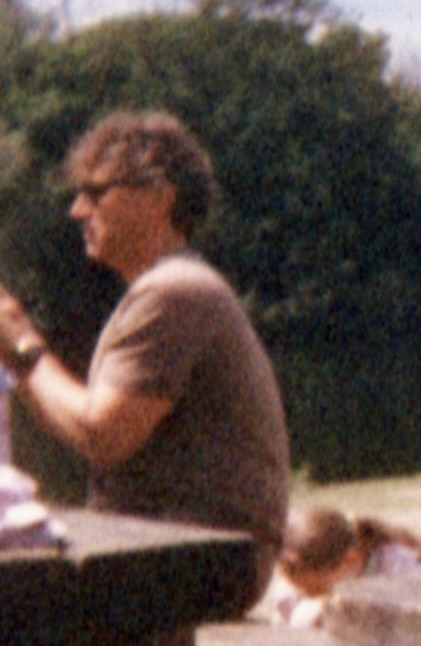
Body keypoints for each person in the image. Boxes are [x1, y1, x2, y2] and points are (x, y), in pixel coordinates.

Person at [0, 112, 288, 601]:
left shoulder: (174, 293)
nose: (77, 210)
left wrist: (21, 343)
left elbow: (102, 435)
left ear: (159, 198)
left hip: (199, 562)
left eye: (96, 192)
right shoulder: (173, 288)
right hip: (190, 552)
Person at [272, 505, 421, 625]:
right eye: (304, 591)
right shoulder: (296, 580)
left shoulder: (396, 567)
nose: (311, 597)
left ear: (351, 559)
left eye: (319, 590)